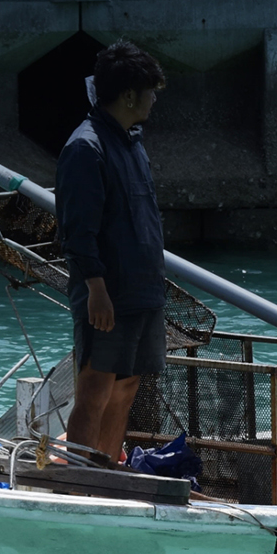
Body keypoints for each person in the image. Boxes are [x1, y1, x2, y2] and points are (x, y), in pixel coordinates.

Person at [56, 40, 168, 463]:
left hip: (142, 289)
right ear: (127, 96)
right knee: (96, 388)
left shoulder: (132, 143)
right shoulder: (86, 148)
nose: (154, 99)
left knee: (127, 386)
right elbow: (77, 229)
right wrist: (95, 288)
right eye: (150, 90)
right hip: (108, 293)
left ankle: (107, 475)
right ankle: (79, 479)